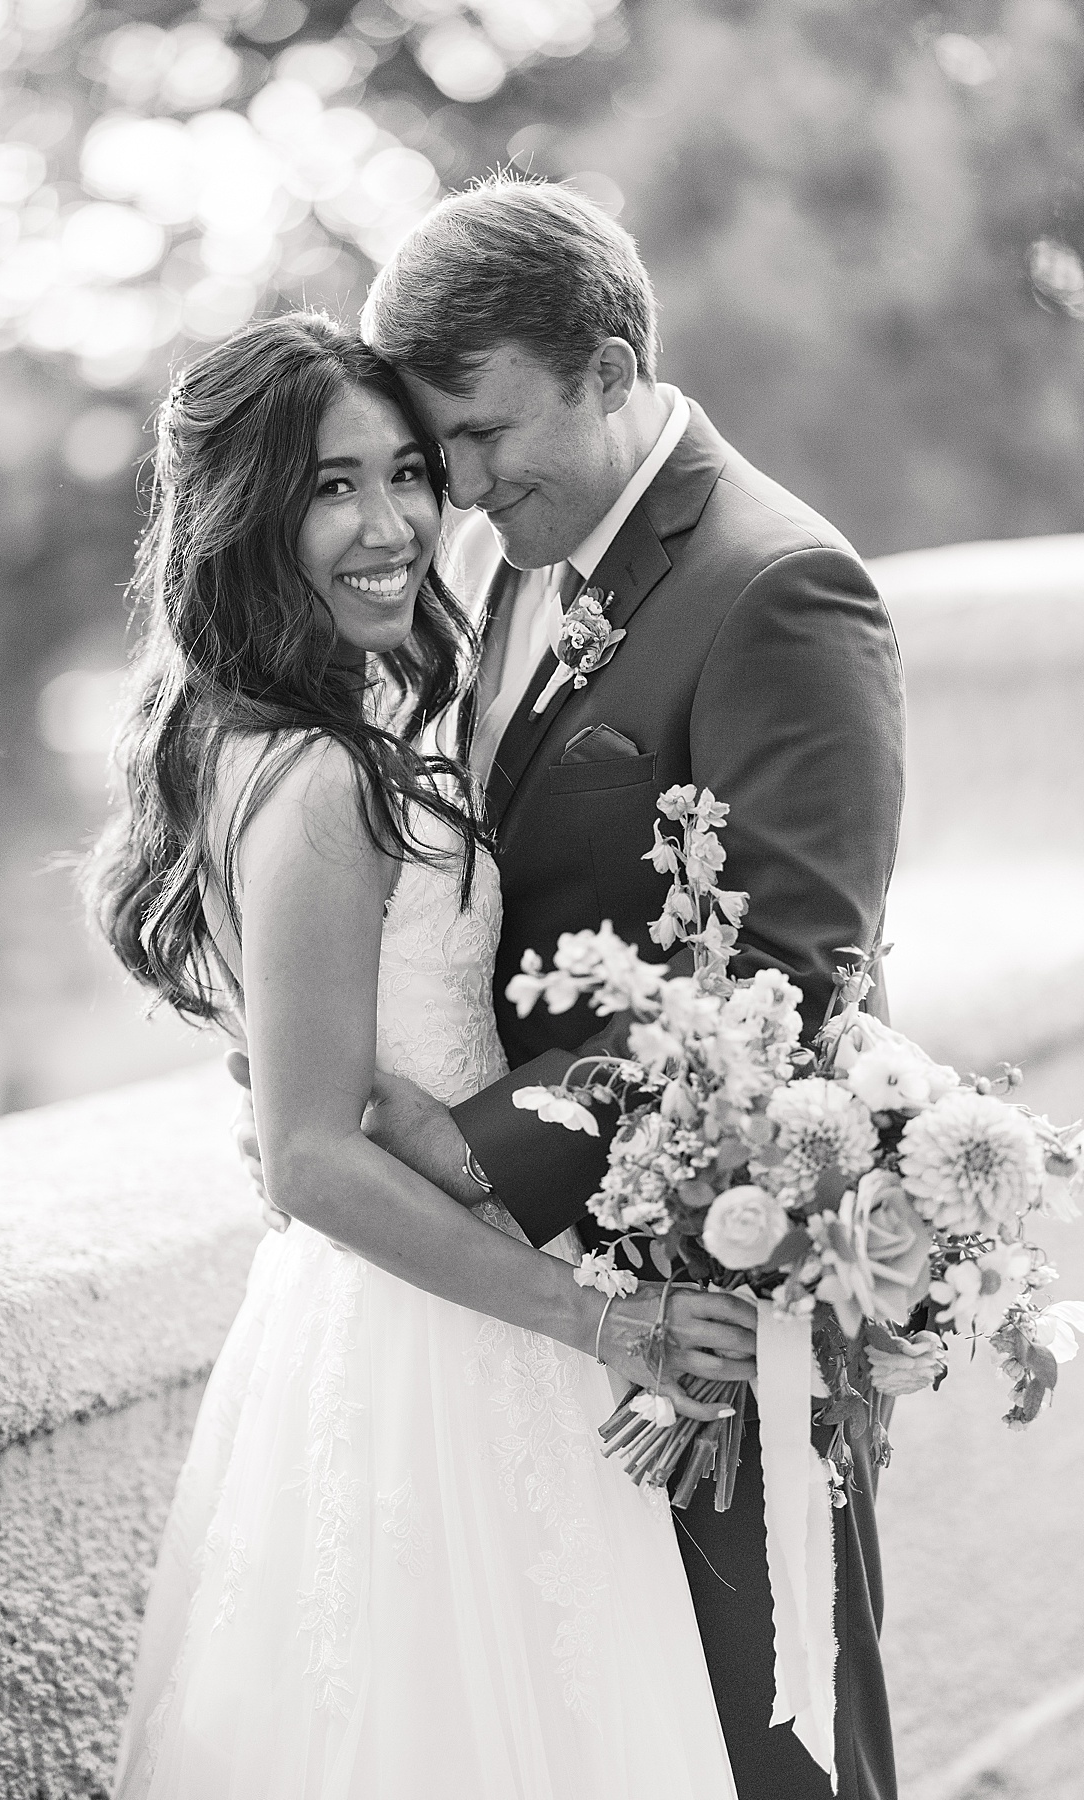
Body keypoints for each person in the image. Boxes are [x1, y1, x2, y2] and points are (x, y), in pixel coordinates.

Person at [89, 310, 746, 1799]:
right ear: (248, 514)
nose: (390, 524)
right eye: (333, 486)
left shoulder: (270, 728)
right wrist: (607, 1323)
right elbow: (316, 1159)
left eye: (408, 472)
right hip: (447, 1335)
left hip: (412, 1306)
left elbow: (306, 1076)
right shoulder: (320, 770)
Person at [340, 174, 906, 1800]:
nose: (451, 483)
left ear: (605, 363)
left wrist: (464, 1149)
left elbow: (797, 984)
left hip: (707, 1290)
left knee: (763, 1733)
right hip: (528, 1323)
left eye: (482, 432)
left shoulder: (776, 586)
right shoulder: (498, 563)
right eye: (430, 443)